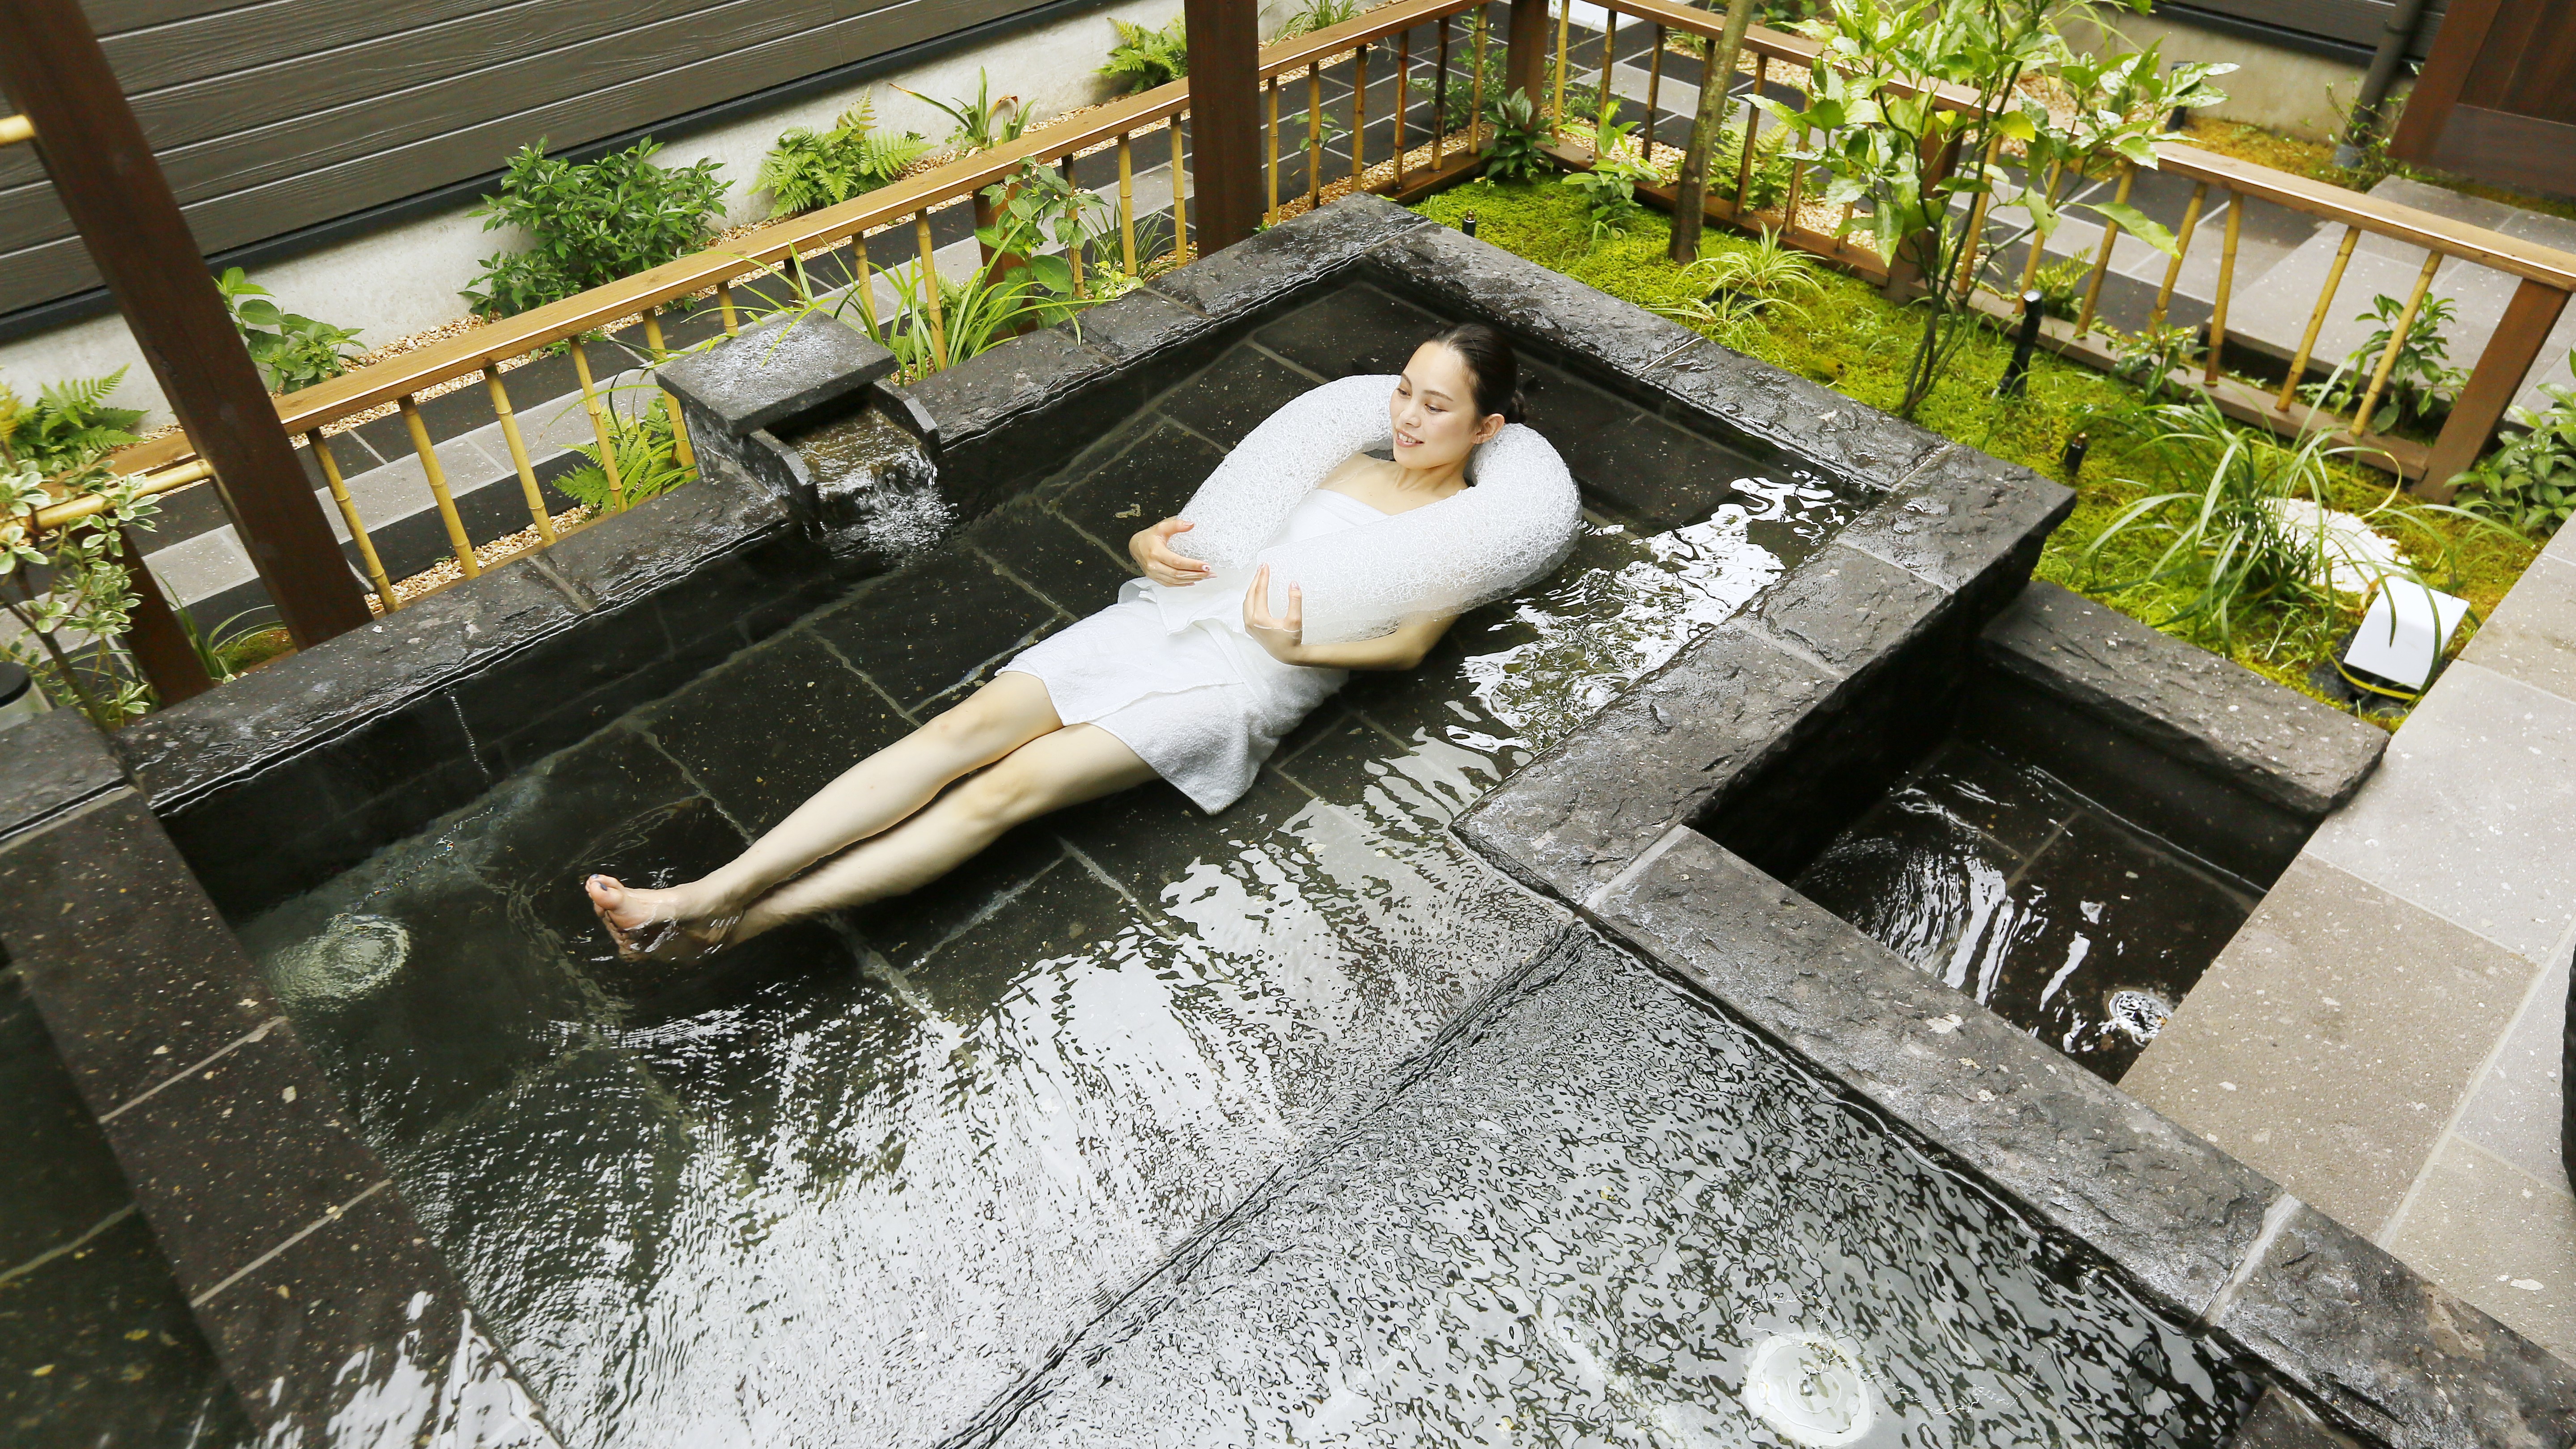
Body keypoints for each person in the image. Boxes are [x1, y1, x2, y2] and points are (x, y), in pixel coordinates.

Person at [586, 323, 1569, 964]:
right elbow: (1217, 535)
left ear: (1486, 426)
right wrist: (1148, 543)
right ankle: (711, 891)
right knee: (961, 733)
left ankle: (730, 922)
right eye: (1404, 390)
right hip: (1167, 619)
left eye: (1436, 407)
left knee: (1006, 789)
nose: (1406, 416)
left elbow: (1405, 652)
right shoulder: (1346, 455)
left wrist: (1305, 647)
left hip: (1246, 679)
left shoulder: (1465, 530)